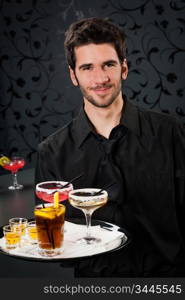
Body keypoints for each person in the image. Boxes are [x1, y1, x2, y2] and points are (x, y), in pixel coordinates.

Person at [35, 17, 185, 277]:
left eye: (109, 64)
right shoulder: (51, 152)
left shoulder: (171, 132)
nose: (100, 78)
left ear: (124, 69)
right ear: (73, 76)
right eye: (87, 68)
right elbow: (53, 238)